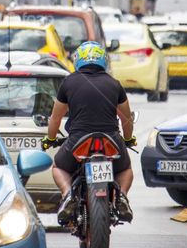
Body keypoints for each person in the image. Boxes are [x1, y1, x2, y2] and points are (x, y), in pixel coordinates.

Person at [43, 41, 135, 224]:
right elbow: (126, 119)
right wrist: (128, 139)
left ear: (78, 60)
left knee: (58, 167)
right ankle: (122, 197)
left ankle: (68, 194)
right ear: (103, 60)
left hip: (79, 140)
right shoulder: (114, 84)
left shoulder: (69, 82)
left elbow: (55, 118)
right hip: (111, 141)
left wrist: (50, 138)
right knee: (125, 169)